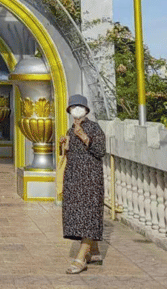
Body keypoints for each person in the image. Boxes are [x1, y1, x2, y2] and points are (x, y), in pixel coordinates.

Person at [60, 94, 106, 274]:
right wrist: (64, 144)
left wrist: (84, 136)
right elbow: (69, 154)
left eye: (79, 108)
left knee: (88, 215)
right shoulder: (71, 130)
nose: (76, 112)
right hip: (74, 178)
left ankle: (80, 258)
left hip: (90, 178)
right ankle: (93, 251)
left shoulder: (94, 128)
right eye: (73, 109)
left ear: (86, 110)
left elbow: (100, 150)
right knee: (76, 214)